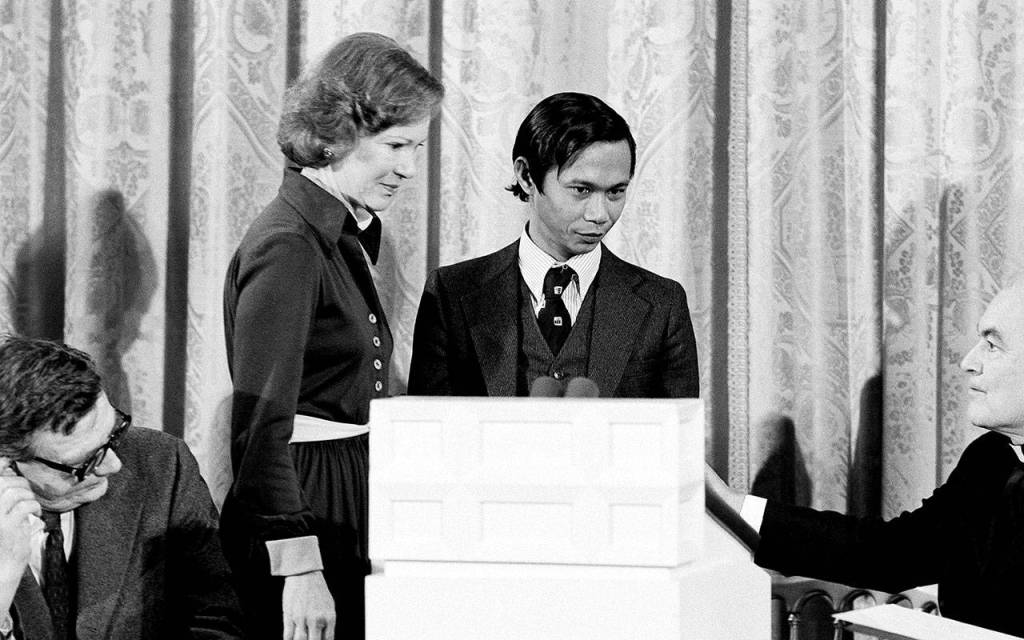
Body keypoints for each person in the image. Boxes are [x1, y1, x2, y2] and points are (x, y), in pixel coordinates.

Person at [220, 32, 444, 640]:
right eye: (396, 145)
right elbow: (260, 422)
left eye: (416, 147)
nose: (408, 168)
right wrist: (299, 567)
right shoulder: (289, 245)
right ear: (336, 135)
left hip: (346, 482)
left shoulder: (333, 233)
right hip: (305, 497)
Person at [706, 279, 1024, 637]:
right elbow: (890, 553)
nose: (968, 362)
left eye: (993, 346)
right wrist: (732, 506)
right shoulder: (990, 459)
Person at [408, 92, 699, 399]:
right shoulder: (450, 294)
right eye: (581, 190)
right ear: (526, 176)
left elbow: (678, 442)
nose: (600, 215)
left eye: (616, 192)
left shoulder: (663, 304)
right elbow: (428, 437)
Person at [0, 335, 243, 640]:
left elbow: (217, 620)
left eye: (114, 433)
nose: (113, 465)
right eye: (86, 462)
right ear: (8, 462)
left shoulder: (162, 464)